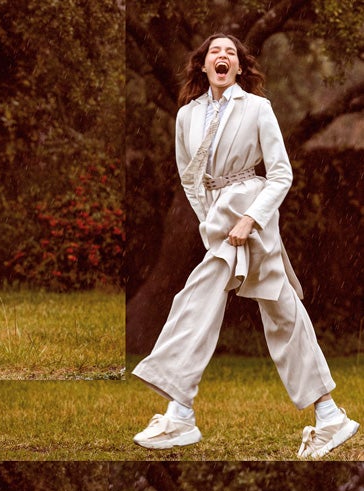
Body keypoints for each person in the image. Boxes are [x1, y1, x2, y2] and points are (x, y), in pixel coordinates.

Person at [131, 33, 358, 458]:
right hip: (220, 218)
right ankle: (329, 416)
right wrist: (211, 221)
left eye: (230, 53)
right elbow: (189, 178)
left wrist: (250, 218)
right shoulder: (186, 117)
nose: (222, 57)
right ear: (203, 66)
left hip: (252, 211)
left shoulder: (258, 108)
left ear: (238, 68)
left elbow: (281, 175)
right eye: (215, 52)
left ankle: (181, 415)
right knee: (280, 308)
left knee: (212, 300)